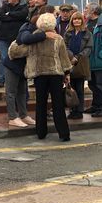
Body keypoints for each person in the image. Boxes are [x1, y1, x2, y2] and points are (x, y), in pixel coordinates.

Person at [24, 13, 73, 142]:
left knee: (41, 103)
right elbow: (64, 57)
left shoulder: (34, 36)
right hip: (55, 73)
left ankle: (41, 132)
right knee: (57, 104)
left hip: (39, 73)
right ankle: (63, 133)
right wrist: (67, 73)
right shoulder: (58, 38)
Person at [0, 0, 28, 88]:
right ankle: (1, 79)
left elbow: (22, 15)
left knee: (18, 58)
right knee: (3, 58)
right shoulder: (4, 7)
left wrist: (9, 15)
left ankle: (18, 78)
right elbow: (0, 17)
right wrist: (13, 17)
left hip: (17, 38)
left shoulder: (23, 7)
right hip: (4, 37)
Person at [63, 12, 93, 119]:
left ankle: (79, 111)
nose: (76, 21)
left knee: (79, 88)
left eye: (78, 19)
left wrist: (78, 56)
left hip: (81, 63)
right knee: (71, 88)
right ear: (72, 20)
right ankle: (72, 109)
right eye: (74, 19)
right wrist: (71, 56)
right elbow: (64, 46)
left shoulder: (87, 33)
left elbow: (89, 48)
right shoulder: (68, 33)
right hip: (69, 63)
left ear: (82, 20)